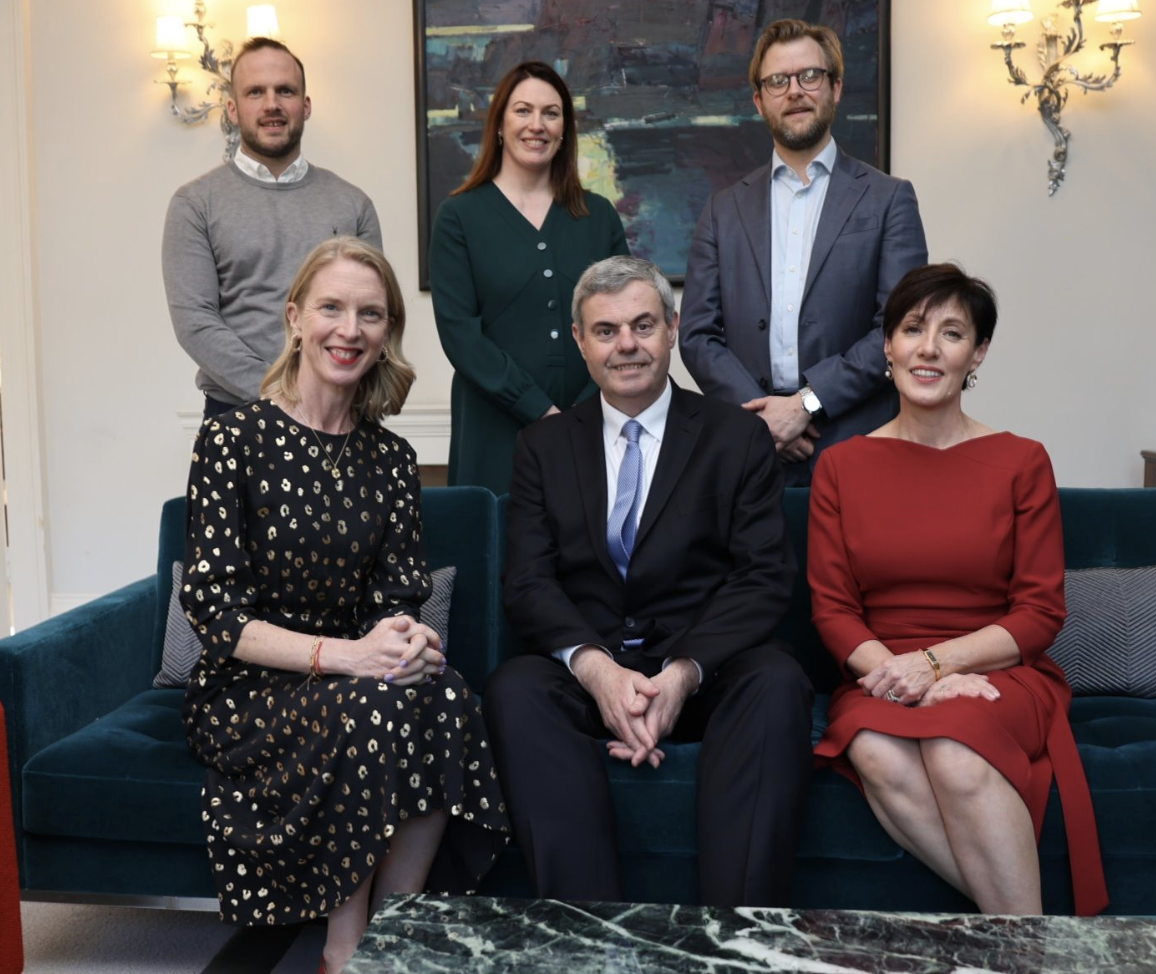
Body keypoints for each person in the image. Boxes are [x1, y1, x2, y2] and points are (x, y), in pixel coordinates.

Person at [180, 238, 508, 974]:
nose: (349, 330)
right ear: (296, 318)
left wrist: (408, 641)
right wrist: (350, 658)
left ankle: (392, 934)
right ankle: (344, 946)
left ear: (387, 331)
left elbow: (398, 596)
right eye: (331, 307)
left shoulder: (390, 458)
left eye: (371, 314)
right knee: (374, 705)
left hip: (355, 675)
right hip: (250, 686)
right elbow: (215, 614)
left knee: (448, 697)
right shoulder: (233, 439)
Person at [484, 255, 814, 907]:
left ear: (671, 328)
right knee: (515, 688)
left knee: (778, 680)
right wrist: (600, 672)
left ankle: (734, 936)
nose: (626, 345)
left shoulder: (737, 436)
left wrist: (683, 673)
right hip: (592, 671)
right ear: (581, 342)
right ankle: (589, 931)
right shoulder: (543, 447)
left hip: (707, 672)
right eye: (605, 331)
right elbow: (527, 582)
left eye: (642, 325)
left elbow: (763, 577)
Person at [808, 263, 1107, 917]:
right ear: (888, 346)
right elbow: (833, 610)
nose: (929, 348)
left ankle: (1022, 943)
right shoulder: (840, 465)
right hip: (880, 672)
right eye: (913, 329)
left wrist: (937, 666)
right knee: (875, 749)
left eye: (952, 333)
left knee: (952, 747)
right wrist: (904, 676)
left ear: (978, 354)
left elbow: (1040, 612)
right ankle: (1032, 935)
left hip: (999, 670)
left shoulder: (1022, 460)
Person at [680, 18, 927, 485]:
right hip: (749, 450)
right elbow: (697, 335)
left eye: (809, 76)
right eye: (778, 81)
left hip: (859, 443)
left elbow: (901, 328)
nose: (794, 91)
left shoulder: (889, 199)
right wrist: (763, 417)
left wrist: (807, 403)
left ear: (835, 88)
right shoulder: (722, 210)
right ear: (759, 101)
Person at [430, 60, 630, 495]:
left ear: (564, 131)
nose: (536, 125)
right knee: (495, 535)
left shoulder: (599, 216)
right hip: (491, 429)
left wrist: (581, 414)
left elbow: (624, 324)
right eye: (523, 110)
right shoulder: (458, 217)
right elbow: (460, 335)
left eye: (550, 113)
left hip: (590, 427)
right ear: (500, 125)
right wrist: (539, 410)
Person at [163, 37, 382, 421]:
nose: (271, 104)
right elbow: (195, 324)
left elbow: (371, 315)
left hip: (340, 414)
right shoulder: (194, 204)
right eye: (255, 92)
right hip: (236, 414)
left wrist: (321, 397)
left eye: (285, 91)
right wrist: (286, 394)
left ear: (305, 106)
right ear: (232, 110)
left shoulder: (354, 205)